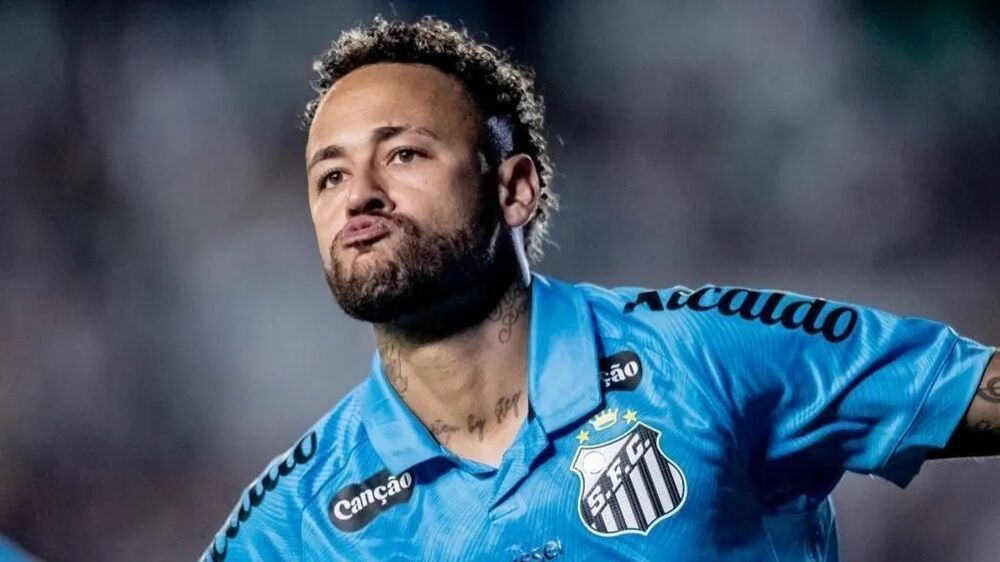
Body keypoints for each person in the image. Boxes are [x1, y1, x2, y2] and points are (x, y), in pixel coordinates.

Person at [202, 16, 997, 562]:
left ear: (515, 190)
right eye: (330, 175)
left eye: (403, 155)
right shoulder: (294, 522)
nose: (359, 195)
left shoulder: (704, 355)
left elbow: (968, 390)